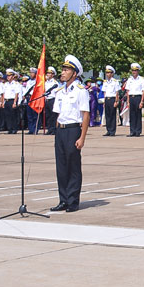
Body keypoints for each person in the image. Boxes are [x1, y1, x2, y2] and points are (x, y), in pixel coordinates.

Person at [51, 55, 90, 213]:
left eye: (66, 70)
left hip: (73, 130)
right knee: (61, 167)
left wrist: (82, 137)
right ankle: (63, 200)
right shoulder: (60, 91)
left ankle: (73, 201)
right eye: (63, 69)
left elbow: (85, 115)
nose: (63, 72)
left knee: (73, 166)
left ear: (74, 73)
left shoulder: (81, 91)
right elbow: (57, 113)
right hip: (60, 130)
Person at [123, 63, 143, 136]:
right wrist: (128, 101)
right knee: (132, 115)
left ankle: (138, 131)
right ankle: (132, 131)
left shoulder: (141, 79)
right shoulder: (129, 79)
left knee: (138, 114)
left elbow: (143, 91)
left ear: (138, 71)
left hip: (138, 97)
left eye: (135, 70)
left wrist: (142, 101)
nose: (134, 72)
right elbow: (128, 91)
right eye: (133, 70)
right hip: (131, 98)